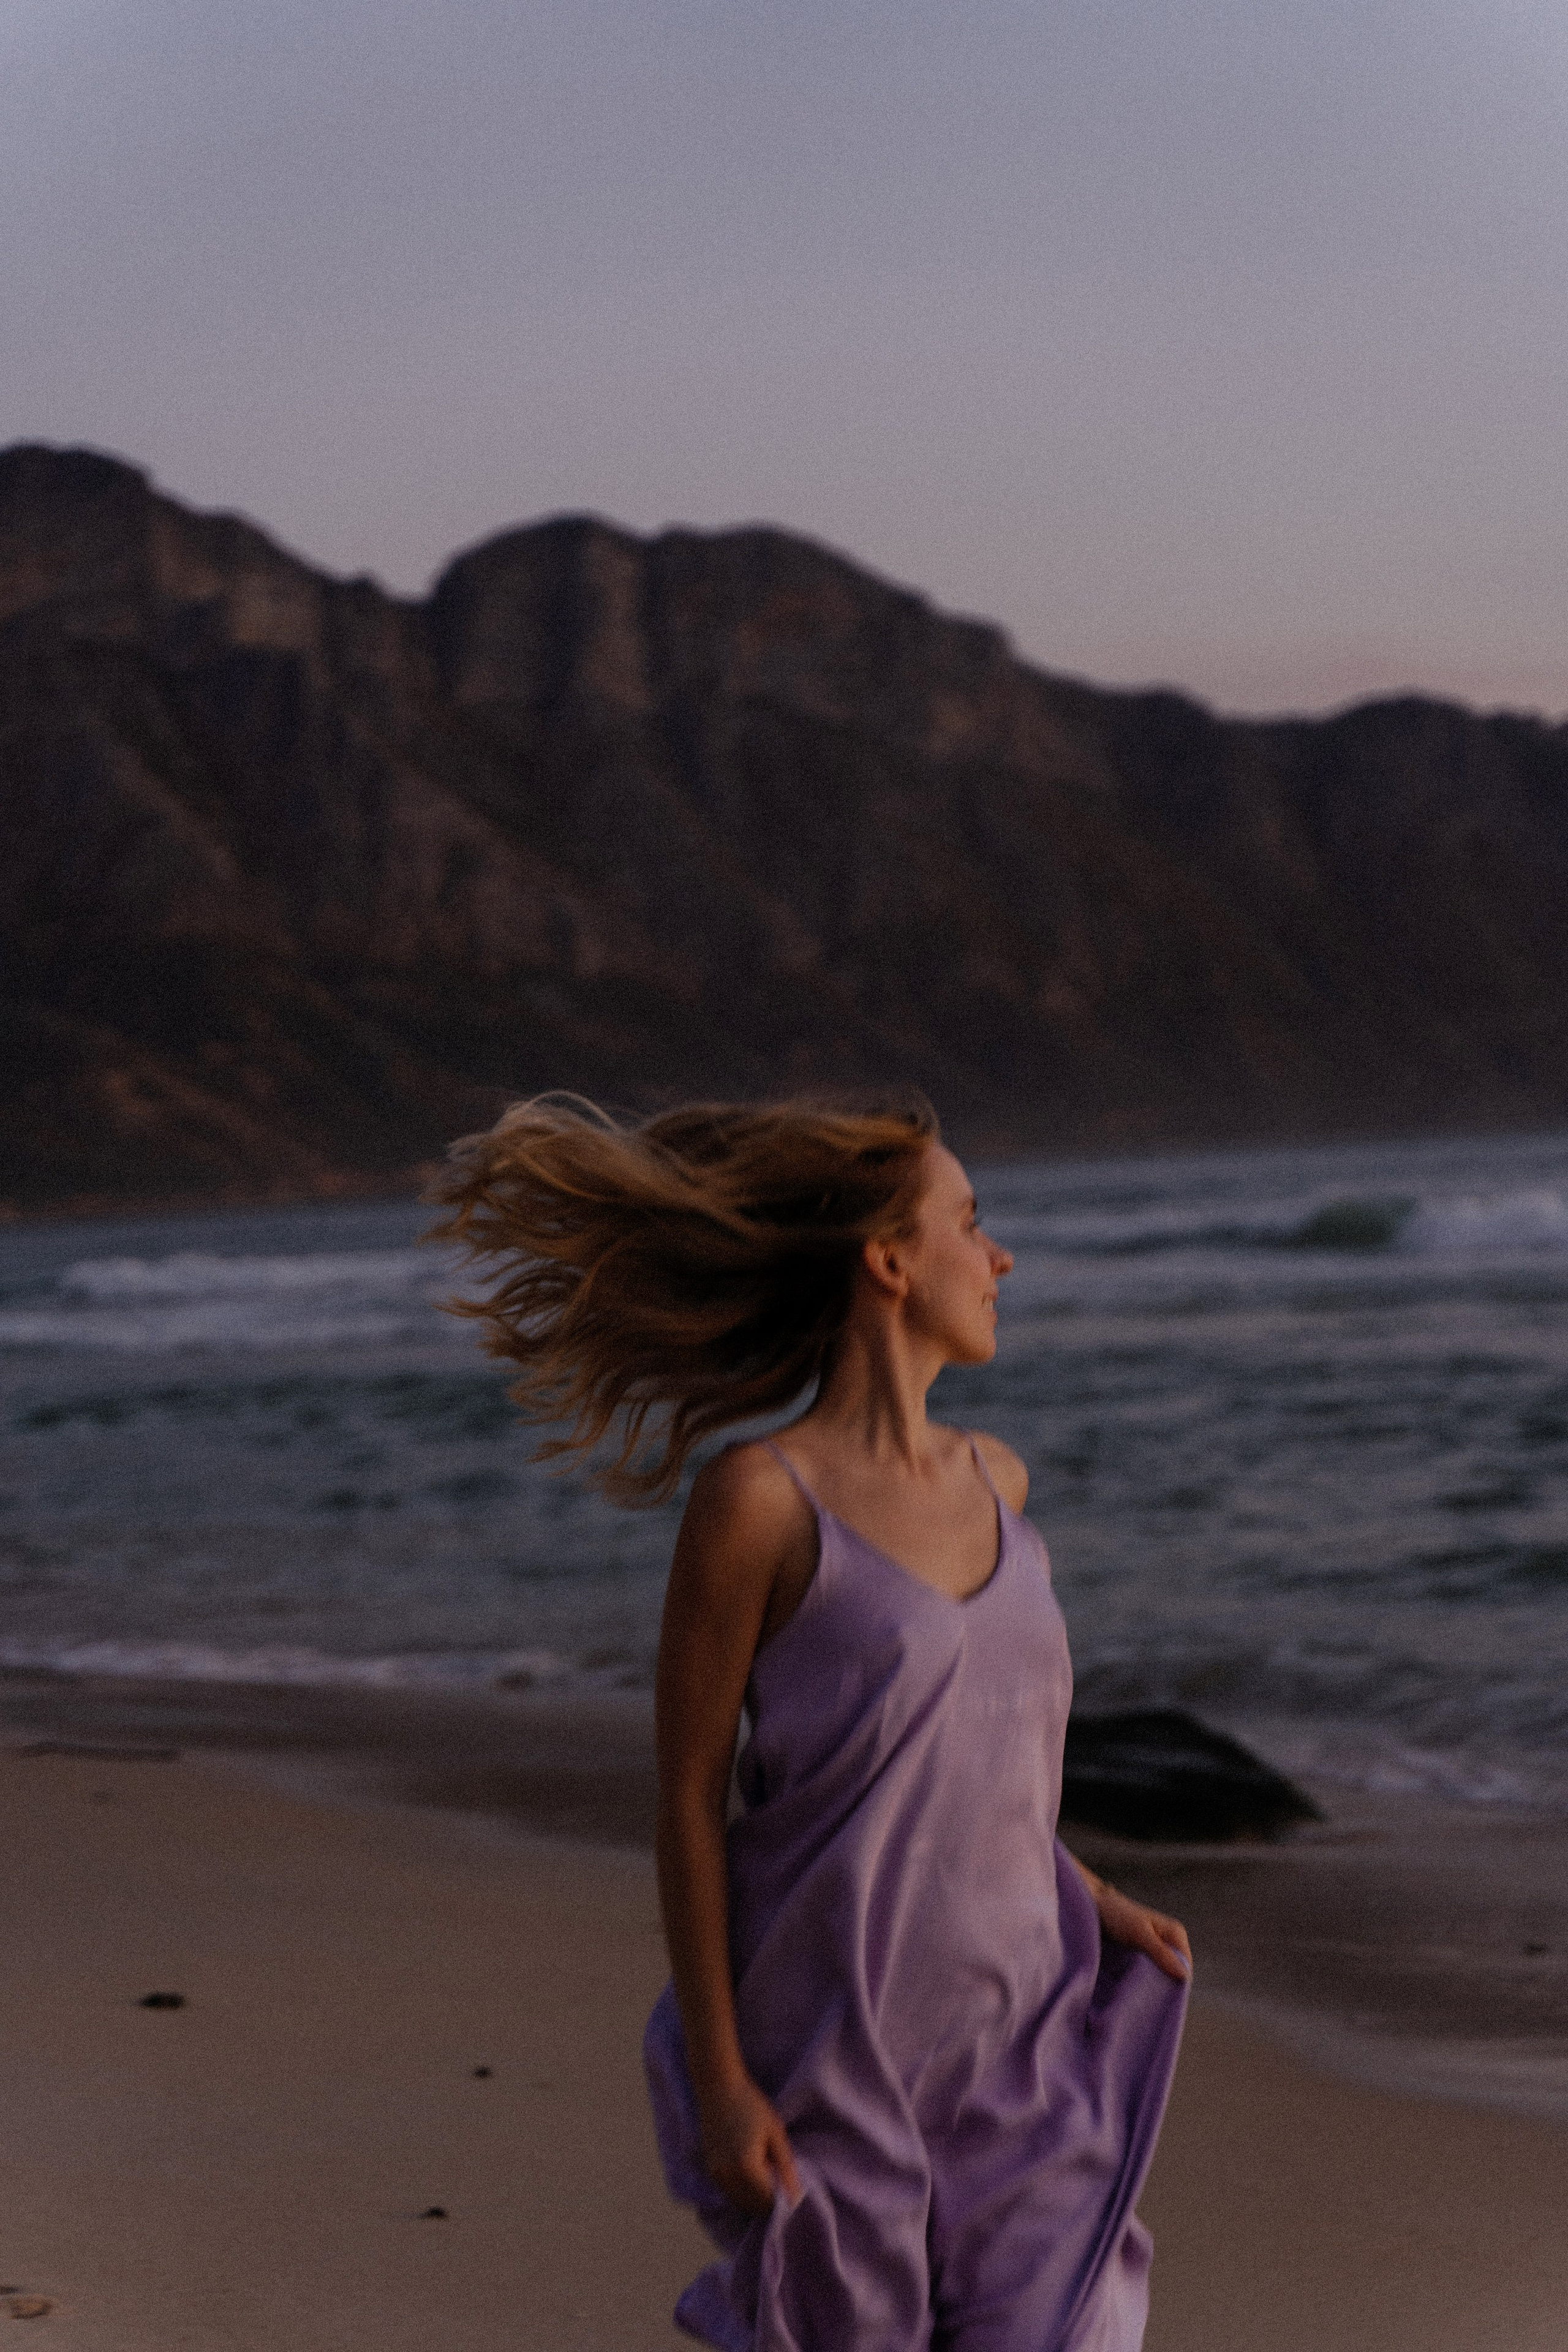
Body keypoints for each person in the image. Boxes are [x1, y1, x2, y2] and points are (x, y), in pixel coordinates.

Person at [432, 1091, 1191, 2352]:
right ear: (888, 1260)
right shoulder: (758, 1504)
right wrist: (721, 2080)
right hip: (840, 2048)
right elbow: (689, 1798)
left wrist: (1094, 1892)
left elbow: (976, 1760)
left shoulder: (999, 1482)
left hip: (1021, 2040)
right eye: (969, 1222)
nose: (999, 1257)